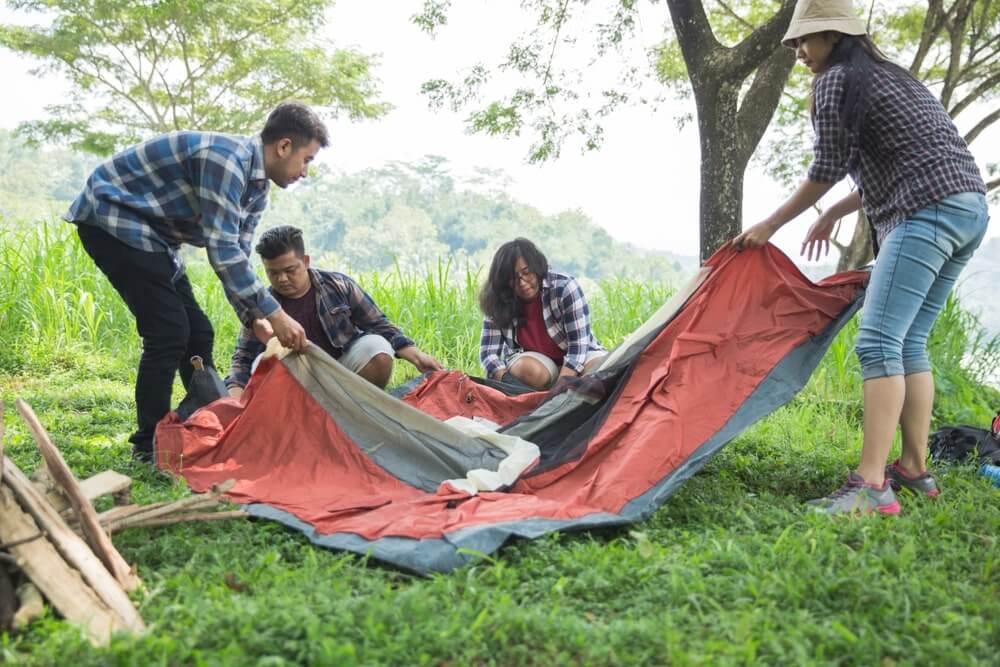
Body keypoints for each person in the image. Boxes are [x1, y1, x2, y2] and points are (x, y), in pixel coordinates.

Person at [732, 0, 989, 514]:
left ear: (836, 36)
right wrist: (836, 212)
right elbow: (909, 154)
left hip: (925, 212)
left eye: (808, 39)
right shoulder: (895, 77)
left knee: (876, 342)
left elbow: (826, 167)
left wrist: (769, 224)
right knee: (909, 341)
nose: (801, 52)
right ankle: (915, 469)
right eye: (796, 42)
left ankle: (871, 485)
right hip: (968, 209)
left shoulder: (836, 82)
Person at [65, 102, 328, 462]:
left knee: (198, 332)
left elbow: (236, 257)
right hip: (113, 218)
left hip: (157, 238)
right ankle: (149, 446)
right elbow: (221, 250)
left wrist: (254, 319)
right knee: (168, 332)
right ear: (284, 146)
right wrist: (278, 315)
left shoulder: (257, 191)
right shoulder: (226, 161)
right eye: (307, 159)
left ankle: (206, 423)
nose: (305, 172)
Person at [226, 226, 443, 395]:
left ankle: (357, 413)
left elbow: (379, 325)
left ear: (306, 261)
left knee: (378, 347)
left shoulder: (338, 285)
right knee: (260, 365)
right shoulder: (263, 304)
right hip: (294, 382)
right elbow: (243, 356)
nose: (282, 279)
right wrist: (234, 397)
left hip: (341, 374)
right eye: (273, 273)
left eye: (290, 270)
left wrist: (416, 356)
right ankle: (295, 421)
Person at [479, 238, 607, 390]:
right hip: (537, 361)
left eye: (527, 273)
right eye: (513, 278)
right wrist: (505, 378)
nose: (522, 282)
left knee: (600, 370)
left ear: (537, 268)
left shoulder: (564, 288)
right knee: (528, 370)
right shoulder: (497, 298)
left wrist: (559, 388)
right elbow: (488, 354)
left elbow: (578, 347)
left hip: (580, 356)